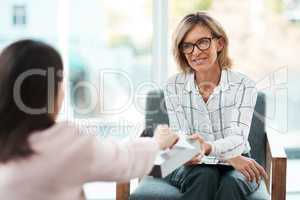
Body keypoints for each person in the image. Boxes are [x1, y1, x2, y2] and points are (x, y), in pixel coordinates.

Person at [0, 39, 178, 200]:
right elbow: (124, 160)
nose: (64, 90)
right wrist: (156, 143)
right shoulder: (64, 143)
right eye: (61, 80)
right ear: (47, 91)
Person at [163, 12, 268, 200]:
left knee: (232, 183)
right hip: (187, 161)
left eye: (202, 42)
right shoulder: (173, 86)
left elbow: (238, 139)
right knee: (204, 175)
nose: (195, 52)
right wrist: (228, 158)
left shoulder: (244, 85)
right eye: (187, 46)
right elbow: (184, 144)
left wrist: (209, 148)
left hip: (239, 156)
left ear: (219, 43)